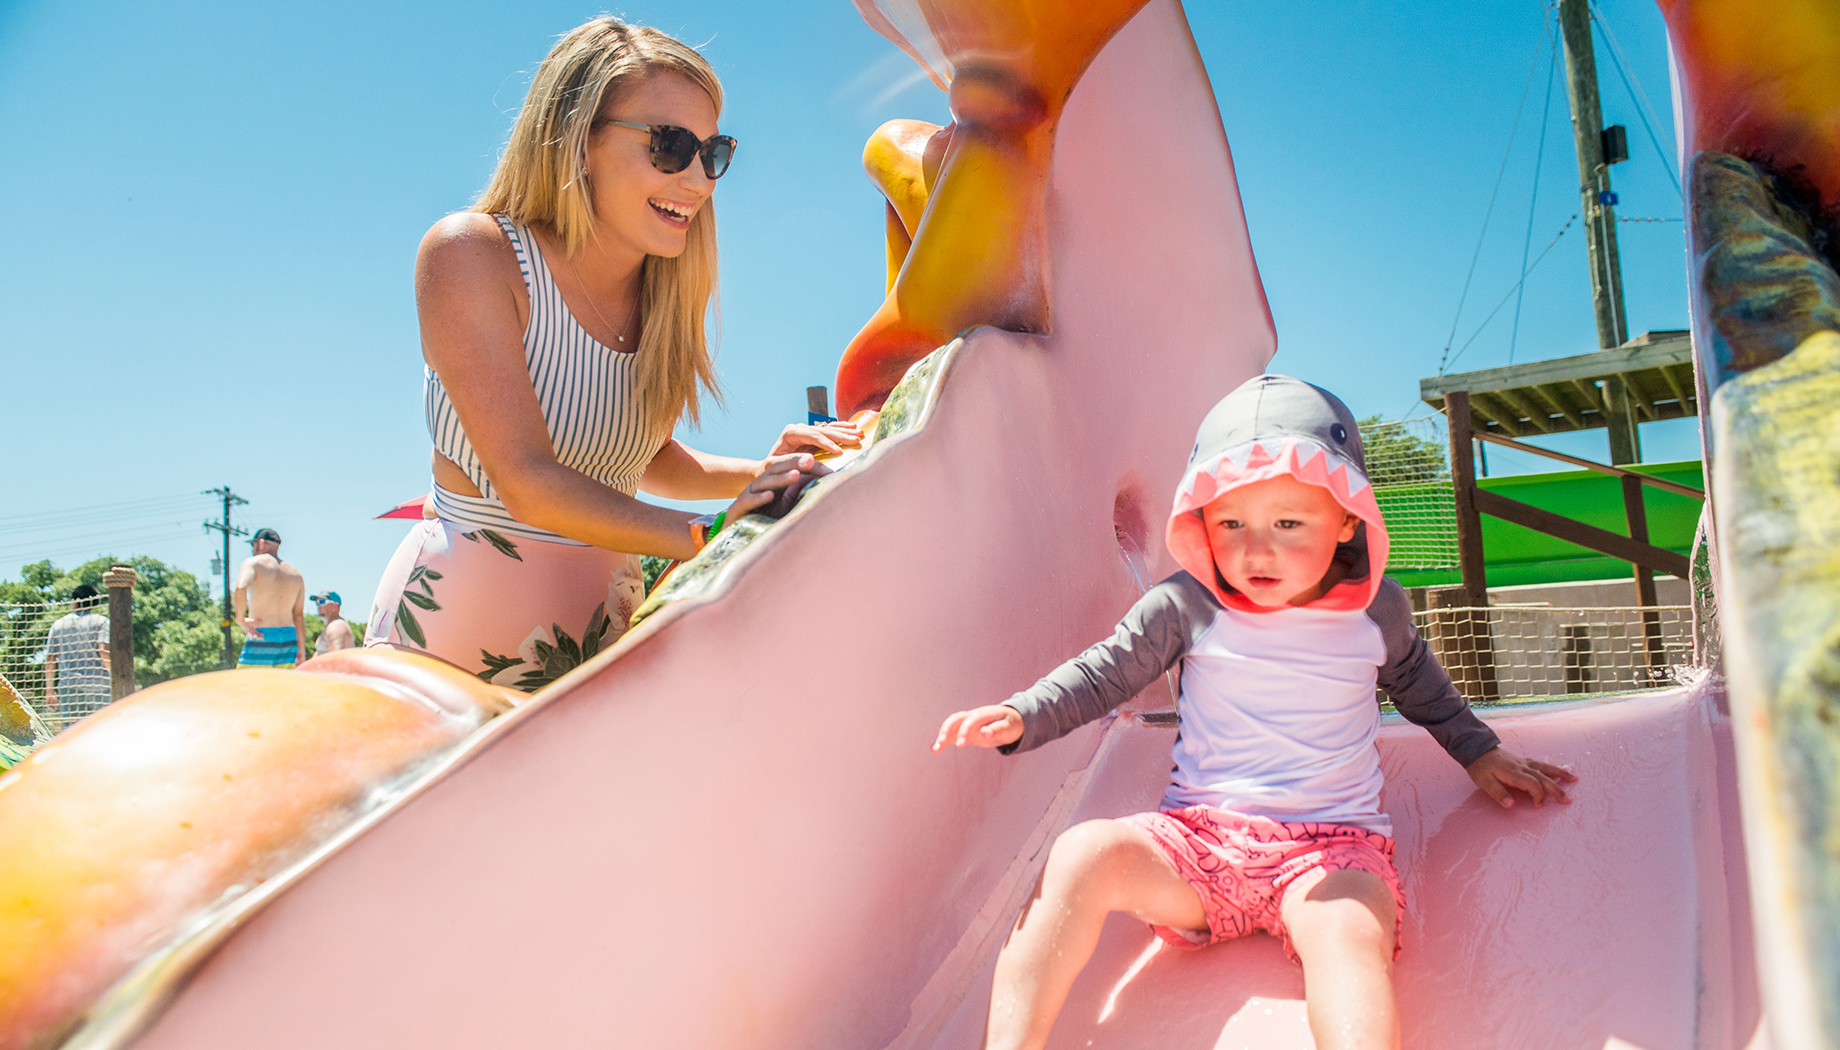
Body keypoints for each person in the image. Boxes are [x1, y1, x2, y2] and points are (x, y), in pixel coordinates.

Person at [932, 375, 1579, 1050]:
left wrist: (1480, 751)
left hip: (1332, 852)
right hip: (1199, 843)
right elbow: (1106, 671)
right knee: (1081, 853)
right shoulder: (1188, 603)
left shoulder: (1374, 609)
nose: (1256, 549)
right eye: (1232, 524)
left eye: (1288, 523)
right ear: (1202, 524)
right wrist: (1023, 713)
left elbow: (1419, 684)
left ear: (1347, 519)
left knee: (1352, 937)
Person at [367, 17, 859, 690]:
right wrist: (708, 530)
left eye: (713, 153)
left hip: (608, 642)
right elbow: (529, 479)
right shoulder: (472, 254)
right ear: (577, 141)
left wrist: (766, 473)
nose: (698, 178)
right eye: (670, 145)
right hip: (454, 648)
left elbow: (636, 454)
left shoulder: (661, 293)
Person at [235, 528, 307, 668]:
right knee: (280, 688)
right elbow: (298, 616)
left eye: (253, 544)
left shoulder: (253, 563)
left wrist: (240, 620)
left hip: (262, 635)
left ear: (260, 543)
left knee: (245, 687)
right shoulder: (296, 574)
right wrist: (301, 652)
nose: (252, 549)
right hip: (289, 639)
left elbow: (241, 587)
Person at [44, 583, 110, 722]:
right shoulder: (101, 621)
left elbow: (50, 659)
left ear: (75, 601)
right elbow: (103, 651)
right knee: (102, 728)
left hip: (69, 686)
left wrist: (49, 690)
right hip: (99, 685)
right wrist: (114, 677)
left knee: (73, 733)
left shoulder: (58, 624)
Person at [311, 592, 355, 656]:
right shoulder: (332, 625)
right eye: (317, 602)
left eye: (322, 602)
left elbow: (337, 657)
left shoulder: (337, 626)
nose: (318, 605)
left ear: (335, 606)